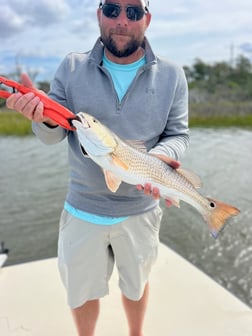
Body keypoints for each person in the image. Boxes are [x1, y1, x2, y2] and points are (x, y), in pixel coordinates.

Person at [6, 0, 189, 335]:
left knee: (136, 284)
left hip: (142, 207)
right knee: (82, 291)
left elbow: (178, 134)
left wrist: (159, 159)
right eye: (112, 10)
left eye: (133, 12)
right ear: (98, 14)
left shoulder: (173, 75)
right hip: (83, 209)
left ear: (147, 19)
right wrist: (41, 117)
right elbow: (54, 135)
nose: (122, 20)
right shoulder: (71, 67)